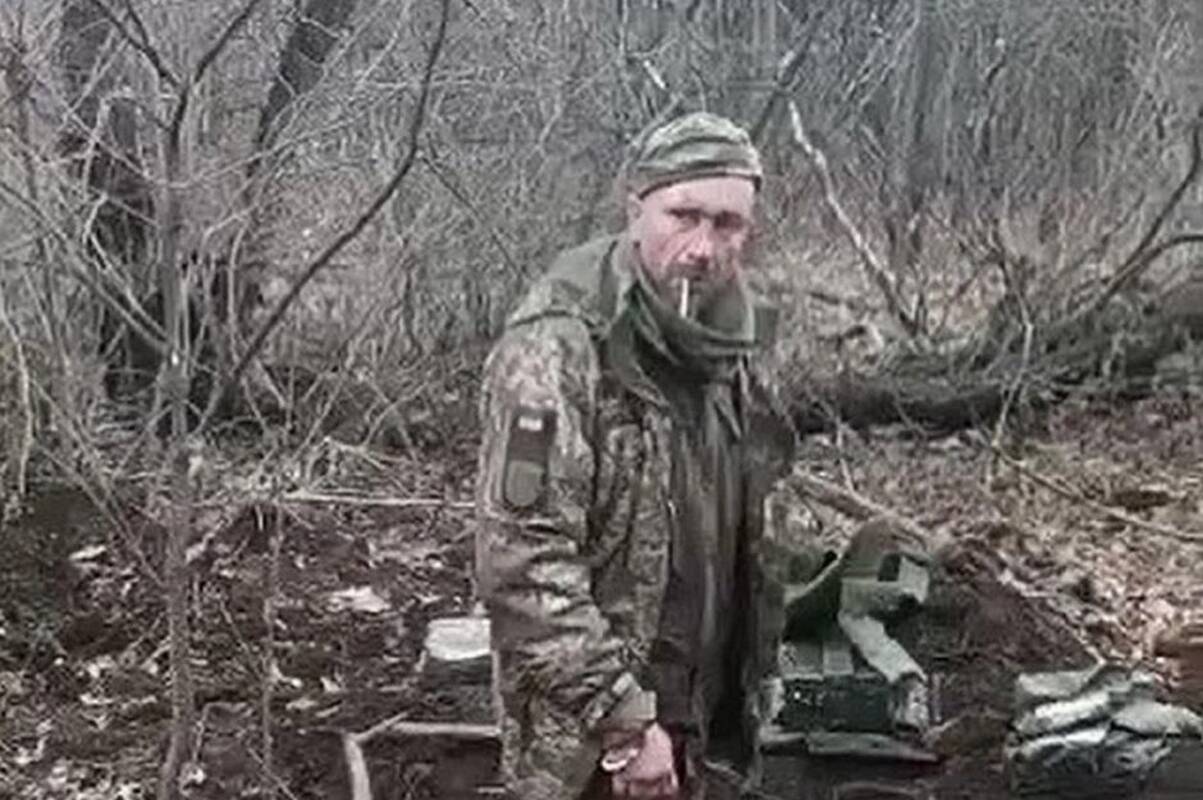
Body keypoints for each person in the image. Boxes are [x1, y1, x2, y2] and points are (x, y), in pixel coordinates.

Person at [474, 112, 798, 799]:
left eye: (727, 224)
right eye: (683, 216)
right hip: (592, 744)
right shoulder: (558, 349)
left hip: (709, 718)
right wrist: (624, 721)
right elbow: (522, 565)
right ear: (635, 211)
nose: (703, 247)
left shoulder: (735, 344)